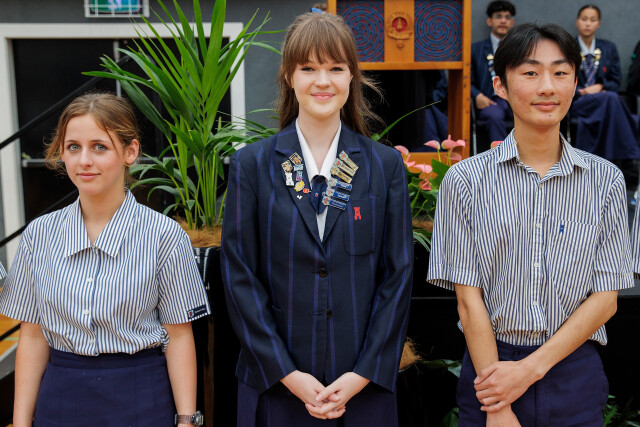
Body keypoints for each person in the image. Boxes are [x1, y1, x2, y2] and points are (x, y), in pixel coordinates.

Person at [428, 23, 633, 426]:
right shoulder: (465, 180)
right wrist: (498, 405)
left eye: (560, 73)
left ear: (575, 83)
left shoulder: (605, 180)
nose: (547, 87)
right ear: (500, 86)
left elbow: (605, 299)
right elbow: (468, 301)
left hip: (573, 370)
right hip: (489, 369)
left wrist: (530, 370)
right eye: (530, 73)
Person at [221, 12, 413, 427]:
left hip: (363, 388)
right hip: (275, 385)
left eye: (335, 68)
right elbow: (240, 277)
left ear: (352, 77)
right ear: (288, 76)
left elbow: (397, 276)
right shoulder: (252, 165)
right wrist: (288, 374)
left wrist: (362, 373)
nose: (322, 81)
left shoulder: (384, 166)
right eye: (308, 68)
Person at [0, 93, 210, 426]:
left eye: (100, 147)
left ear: (130, 152)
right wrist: (21, 423)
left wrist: (187, 420)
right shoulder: (39, 235)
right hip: (60, 398)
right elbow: (33, 335)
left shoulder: (164, 236)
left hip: (142, 397)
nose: (84, 160)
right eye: (73, 147)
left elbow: (179, 336)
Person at [571, 4, 640, 161]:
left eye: (592, 20)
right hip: (579, 101)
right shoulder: (567, 48)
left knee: (610, 98)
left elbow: (616, 82)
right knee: (612, 99)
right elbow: (561, 79)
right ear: (577, 21)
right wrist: (583, 91)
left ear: (599, 23)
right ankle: (630, 158)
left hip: (605, 101)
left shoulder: (609, 48)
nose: (588, 23)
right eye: (584, 19)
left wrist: (600, 87)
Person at [471, 0, 516, 145]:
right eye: (498, 16)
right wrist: (477, 95)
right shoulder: (476, 50)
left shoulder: (520, 49)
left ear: (512, 22)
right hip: (490, 100)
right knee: (493, 116)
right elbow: (466, 80)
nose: (503, 21)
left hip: (515, 100)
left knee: (531, 114)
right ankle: (502, 156)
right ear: (489, 21)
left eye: (507, 17)